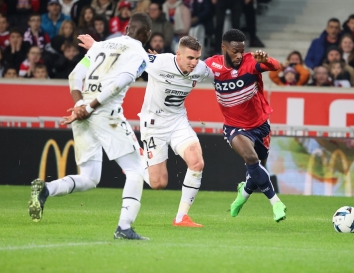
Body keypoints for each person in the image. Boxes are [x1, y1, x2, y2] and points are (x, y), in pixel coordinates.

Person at [28, 12, 152, 241]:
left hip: (82, 111)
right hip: (105, 113)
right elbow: (120, 83)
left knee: (90, 177)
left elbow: (74, 75)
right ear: (147, 35)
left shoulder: (100, 46)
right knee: (136, 170)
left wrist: (80, 105)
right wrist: (92, 106)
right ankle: (124, 228)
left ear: (126, 29)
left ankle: (46, 189)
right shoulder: (139, 53)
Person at [79, 34, 214, 227]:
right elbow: (127, 56)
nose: (194, 63)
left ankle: (181, 217)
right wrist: (96, 46)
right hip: (154, 125)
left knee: (197, 162)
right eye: (190, 58)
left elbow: (221, 76)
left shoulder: (201, 69)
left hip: (178, 122)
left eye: (197, 58)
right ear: (178, 55)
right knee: (158, 183)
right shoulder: (158, 62)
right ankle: (137, 161)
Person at [201, 29, 286, 221]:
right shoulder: (211, 65)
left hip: (260, 124)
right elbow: (189, 67)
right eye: (234, 51)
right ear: (223, 48)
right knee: (250, 157)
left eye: (241, 51)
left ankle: (243, 194)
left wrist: (264, 60)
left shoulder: (251, 62)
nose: (239, 55)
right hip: (234, 127)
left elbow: (276, 66)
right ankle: (276, 203)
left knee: (257, 170)